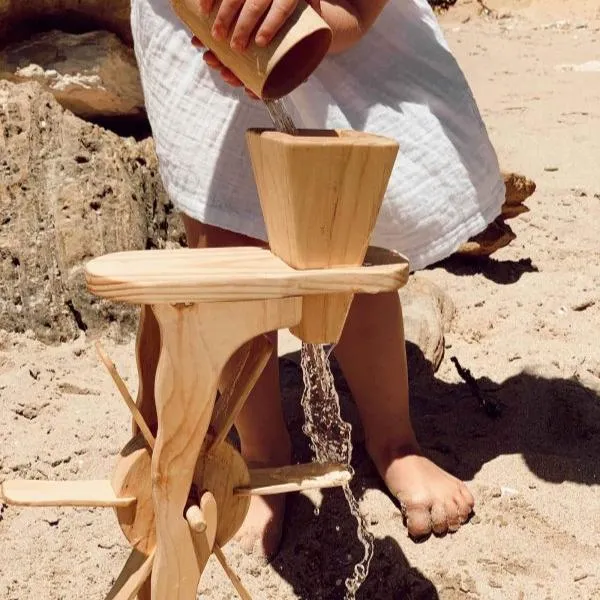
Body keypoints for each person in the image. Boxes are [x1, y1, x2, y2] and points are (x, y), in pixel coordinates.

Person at [130, 0, 505, 557]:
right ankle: (261, 455)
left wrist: (343, 11)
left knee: (346, 220)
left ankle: (394, 440)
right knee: (224, 235)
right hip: (194, 18)